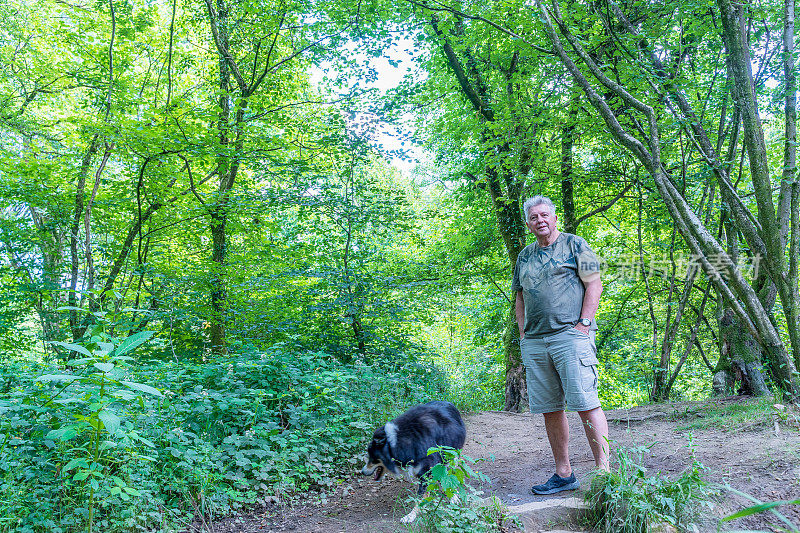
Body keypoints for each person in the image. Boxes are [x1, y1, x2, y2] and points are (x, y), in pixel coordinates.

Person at [511, 195, 609, 495]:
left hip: (571, 336)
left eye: (544, 215)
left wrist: (584, 324)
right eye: (533, 217)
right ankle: (563, 474)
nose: (540, 220)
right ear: (528, 224)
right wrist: (524, 333)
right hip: (536, 342)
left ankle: (605, 474)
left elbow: (595, 283)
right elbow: (519, 297)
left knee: (586, 403)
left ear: (554, 218)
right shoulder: (524, 257)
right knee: (551, 409)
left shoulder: (577, 244)